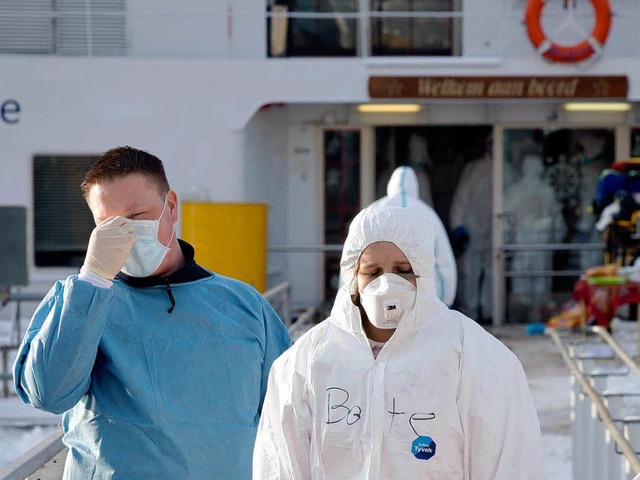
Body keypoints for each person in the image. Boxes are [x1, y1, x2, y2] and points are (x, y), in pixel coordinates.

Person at [13, 146, 291, 479]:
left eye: (137, 216)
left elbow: (288, 409)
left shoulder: (243, 304)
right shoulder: (76, 303)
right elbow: (49, 394)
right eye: (109, 225)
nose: (125, 234)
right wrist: (92, 281)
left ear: (170, 207)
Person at [253, 204, 542, 479]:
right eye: (373, 272)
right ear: (352, 276)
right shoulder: (306, 362)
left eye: (403, 270)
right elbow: (281, 465)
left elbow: (509, 462)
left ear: (424, 274)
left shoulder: (473, 356)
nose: (388, 285)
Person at [370, 166, 457, 306]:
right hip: (423, 295)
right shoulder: (428, 214)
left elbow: (353, 258)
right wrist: (445, 300)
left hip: (379, 292)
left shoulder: (373, 212)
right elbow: (445, 262)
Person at [449, 150, 493, 322]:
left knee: (492, 273)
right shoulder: (475, 169)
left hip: (492, 230)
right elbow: (462, 197)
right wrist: (458, 225)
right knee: (470, 273)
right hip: (473, 229)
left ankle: (488, 312)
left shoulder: (506, 169)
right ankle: (470, 315)